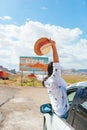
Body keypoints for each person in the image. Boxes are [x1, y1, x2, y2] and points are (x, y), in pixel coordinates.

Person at [42, 39, 69, 119]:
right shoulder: (55, 78)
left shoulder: (47, 81)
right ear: (54, 70)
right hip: (64, 112)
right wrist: (53, 46)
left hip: (57, 110)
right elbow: (56, 62)